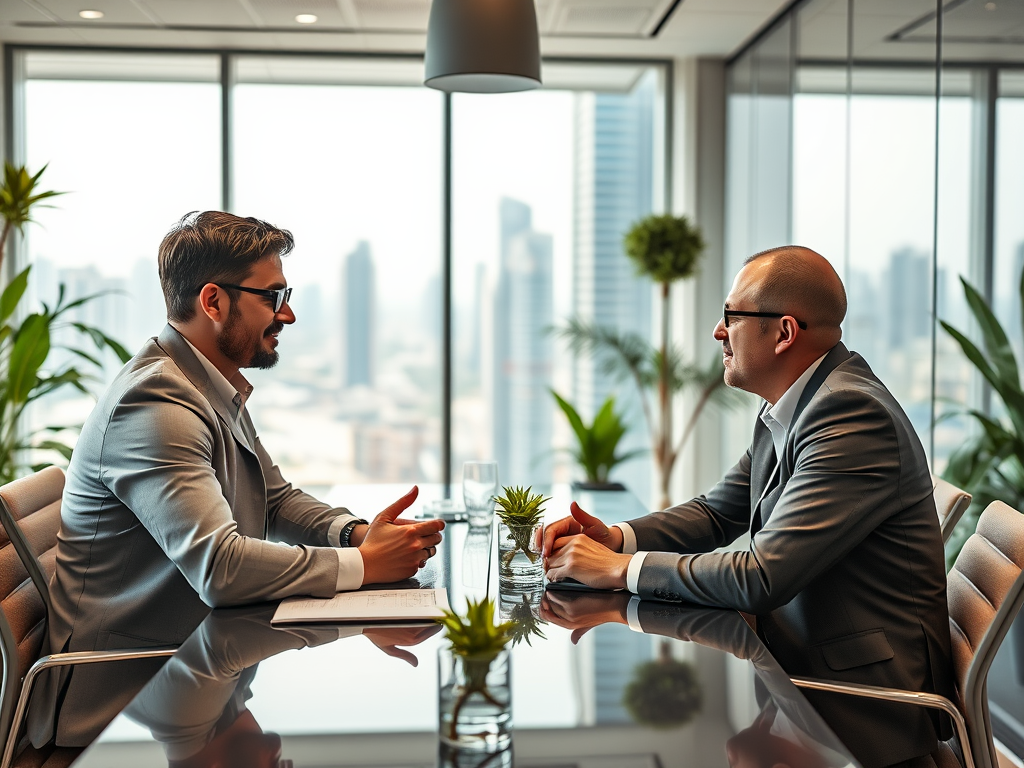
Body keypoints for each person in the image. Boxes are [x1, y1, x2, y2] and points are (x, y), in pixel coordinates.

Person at [31, 211, 444, 746]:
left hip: (190, 669)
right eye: (272, 296)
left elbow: (273, 499)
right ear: (213, 302)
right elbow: (220, 568)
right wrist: (363, 565)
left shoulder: (207, 383)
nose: (288, 314)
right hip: (122, 696)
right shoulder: (153, 403)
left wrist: (355, 534)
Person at [543, 246, 955, 768]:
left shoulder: (850, 416)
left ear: (784, 332)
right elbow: (717, 513)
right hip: (795, 679)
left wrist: (620, 570)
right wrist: (617, 539)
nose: (719, 331)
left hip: (856, 710)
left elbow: (762, 578)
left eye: (732, 316)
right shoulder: (793, 406)